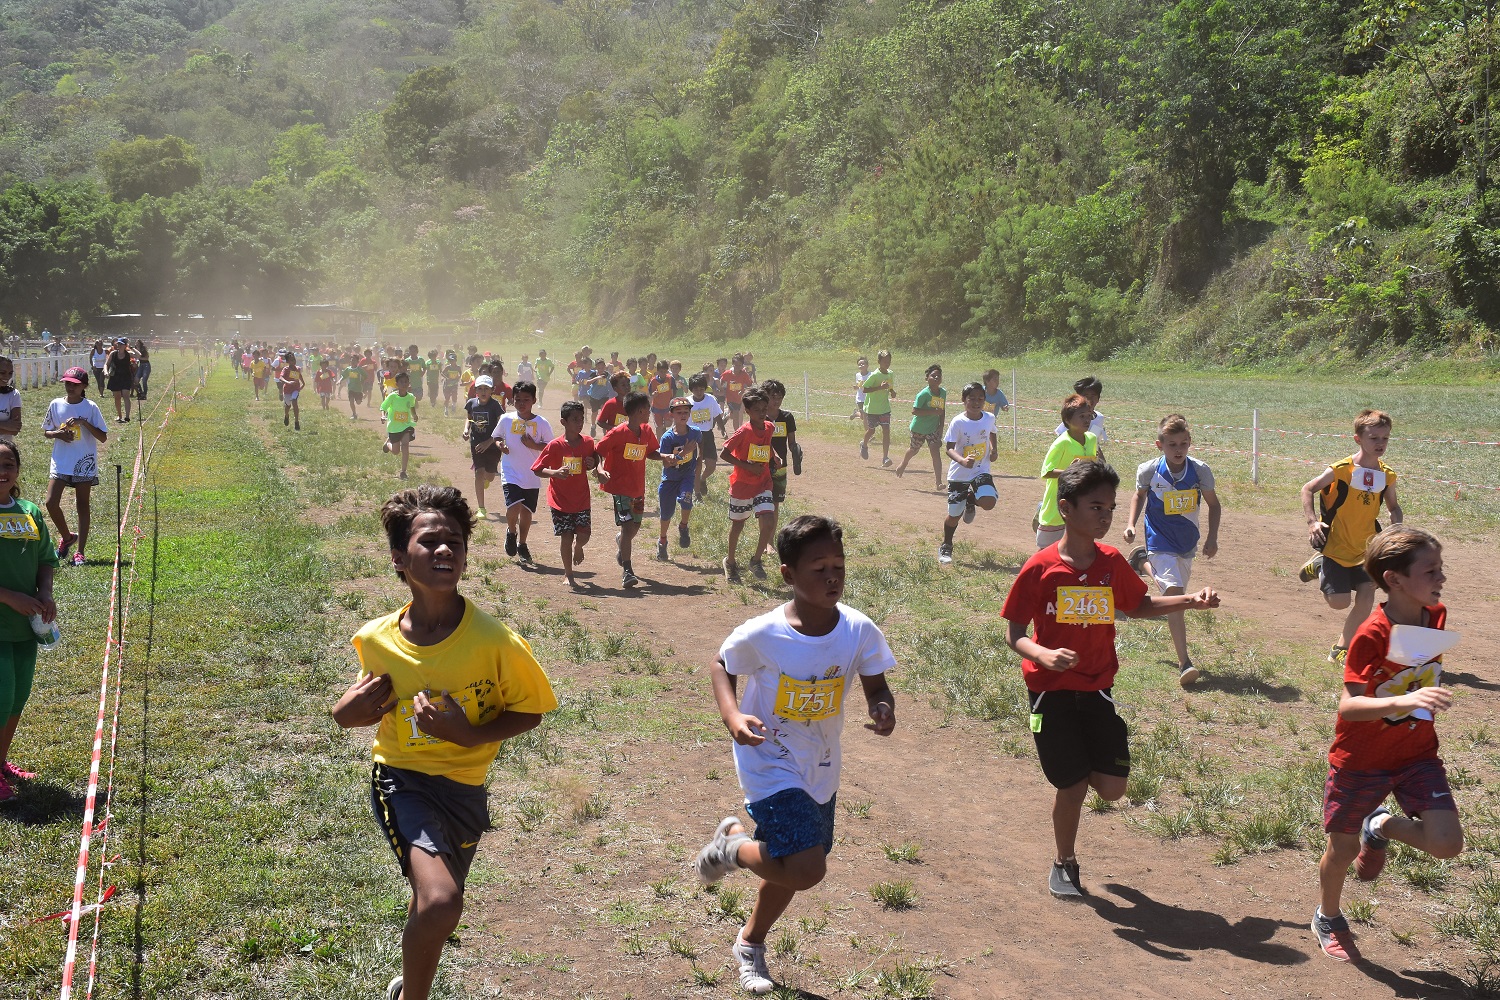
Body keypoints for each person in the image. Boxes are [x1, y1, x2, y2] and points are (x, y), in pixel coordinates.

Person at [330, 485, 556, 1000]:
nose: (445, 550)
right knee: (440, 902)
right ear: (397, 558)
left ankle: (405, 987)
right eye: (429, 541)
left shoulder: (495, 642)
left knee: (431, 904)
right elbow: (358, 708)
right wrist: (345, 715)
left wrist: (467, 734)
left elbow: (530, 710)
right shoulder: (376, 640)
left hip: (465, 793)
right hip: (402, 780)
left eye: (454, 540)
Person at [694, 514, 896, 995]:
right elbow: (722, 664)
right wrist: (733, 718)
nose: (831, 577)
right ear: (787, 574)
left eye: (838, 566)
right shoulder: (765, 633)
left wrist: (882, 707)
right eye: (818, 568)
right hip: (768, 759)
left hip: (820, 764)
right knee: (807, 867)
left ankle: (749, 942)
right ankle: (733, 848)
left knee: (791, 864)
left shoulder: (858, 630)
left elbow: (875, 682)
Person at [1001, 461, 1220, 899]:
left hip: (1098, 686)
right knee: (1072, 784)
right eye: (1096, 506)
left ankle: (1082, 793)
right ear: (1065, 508)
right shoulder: (1041, 568)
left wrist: (1189, 601)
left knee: (1113, 789)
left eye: (1111, 507)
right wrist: (1043, 654)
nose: (1105, 516)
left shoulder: (1110, 562)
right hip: (1051, 691)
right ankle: (1064, 861)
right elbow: (1014, 634)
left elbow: (1137, 606)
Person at [1311, 525, 1461, 962]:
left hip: (1417, 754)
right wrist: (1409, 697)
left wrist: (1414, 697)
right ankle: (1328, 915)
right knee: (1340, 851)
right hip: (1361, 760)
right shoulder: (1370, 634)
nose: (1441, 579)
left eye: (1440, 568)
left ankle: (1380, 826)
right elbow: (1349, 706)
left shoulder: (1436, 615)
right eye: (1431, 570)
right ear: (1394, 579)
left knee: (1448, 844)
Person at [1122, 415, 1222, 686]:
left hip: (1186, 543)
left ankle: (1141, 561)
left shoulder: (1200, 471)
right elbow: (1139, 495)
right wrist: (1131, 524)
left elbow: (1214, 505)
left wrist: (1212, 538)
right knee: (1175, 597)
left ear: (1190, 443)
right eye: (1172, 445)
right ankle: (1184, 662)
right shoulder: (1149, 470)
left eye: (1184, 444)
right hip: (1159, 539)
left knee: (1174, 596)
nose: (1178, 450)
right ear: (1160, 445)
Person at [1298, 410, 1403, 665]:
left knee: (1367, 594)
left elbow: (1393, 507)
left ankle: (1341, 648)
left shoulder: (1387, 475)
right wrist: (1313, 523)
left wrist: (1396, 528)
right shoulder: (1342, 469)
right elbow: (1308, 489)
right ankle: (1321, 565)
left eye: (1385, 438)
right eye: (1374, 437)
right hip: (1336, 546)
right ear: (1358, 439)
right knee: (1339, 603)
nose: (1380, 444)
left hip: (1368, 547)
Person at [0, 439, 59, 802]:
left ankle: (1, 762)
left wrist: (45, 594)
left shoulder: (30, 512)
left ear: (18, 470)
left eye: (8, 464)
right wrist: (10, 597)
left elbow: (45, 560)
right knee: (1, 697)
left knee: (18, 697)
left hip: (24, 627)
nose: (1, 472)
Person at [594, 392, 661, 589]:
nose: (649, 412)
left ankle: (622, 543)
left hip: (638, 488)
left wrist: (666, 457)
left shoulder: (647, 431)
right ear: (640, 411)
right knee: (627, 525)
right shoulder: (617, 433)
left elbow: (651, 453)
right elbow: (598, 451)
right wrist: (600, 470)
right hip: (620, 488)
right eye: (648, 409)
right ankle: (627, 570)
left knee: (635, 527)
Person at [42, 368, 108, 567]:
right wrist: (58, 434)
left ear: (84, 386)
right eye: (67, 383)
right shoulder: (56, 404)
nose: (70, 387)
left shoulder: (90, 407)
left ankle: (80, 552)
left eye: (75, 384)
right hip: (61, 461)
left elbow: (103, 437)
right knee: (50, 502)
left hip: (83, 462)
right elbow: (46, 431)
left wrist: (83, 422)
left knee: (82, 505)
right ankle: (67, 537)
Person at [532, 401, 598, 588]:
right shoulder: (555, 446)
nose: (579, 423)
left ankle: (579, 547)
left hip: (581, 499)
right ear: (563, 422)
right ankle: (568, 574)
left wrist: (591, 464)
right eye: (575, 419)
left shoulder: (588, 442)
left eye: (581, 419)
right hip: (560, 500)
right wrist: (555, 473)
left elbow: (593, 461)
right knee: (566, 536)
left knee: (584, 535)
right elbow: (537, 469)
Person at [720, 387, 778, 583]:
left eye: (764, 408)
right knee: (738, 525)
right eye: (757, 410)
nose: (762, 412)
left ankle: (756, 560)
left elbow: (766, 446)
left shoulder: (769, 427)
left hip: (763, 482)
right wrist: (746, 466)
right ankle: (730, 561)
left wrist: (774, 456)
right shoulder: (744, 431)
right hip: (743, 484)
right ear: (748, 412)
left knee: (769, 522)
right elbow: (724, 453)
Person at [937, 382, 998, 566]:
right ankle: (946, 545)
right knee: (954, 515)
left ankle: (971, 500)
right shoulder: (958, 422)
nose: (976, 402)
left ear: (985, 401)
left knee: (989, 501)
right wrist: (962, 461)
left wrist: (994, 449)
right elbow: (949, 448)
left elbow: (992, 433)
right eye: (971, 398)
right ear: (964, 401)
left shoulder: (988, 418)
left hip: (981, 469)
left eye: (980, 398)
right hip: (959, 474)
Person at [492, 381, 551, 562]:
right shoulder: (506, 419)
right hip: (510, 471)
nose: (522, 403)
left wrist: (534, 445)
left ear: (534, 400)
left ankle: (522, 544)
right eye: (518, 399)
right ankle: (511, 532)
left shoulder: (541, 423)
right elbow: (497, 436)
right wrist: (500, 445)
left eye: (526, 399)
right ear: (512, 400)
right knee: (514, 506)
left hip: (532, 474)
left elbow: (550, 446)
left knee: (526, 512)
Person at [1035, 394, 1099, 549]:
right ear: (1068, 420)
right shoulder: (1062, 443)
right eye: (1082, 416)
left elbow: (1093, 463)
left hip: (1081, 502)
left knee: (1075, 548)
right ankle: (1041, 509)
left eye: (1089, 416)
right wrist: (1070, 471)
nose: (1087, 420)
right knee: (1046, 549)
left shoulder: (1091, 439)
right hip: (1057, 502)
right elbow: (1046, 472)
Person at [655, 397, 700, 558]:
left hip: (687, 476)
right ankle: (662, 540)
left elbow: (697, 455)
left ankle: (683, 526)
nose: (683, 415)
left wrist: (698, 475)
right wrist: (683, 453)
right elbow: (666, 464)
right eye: (679, 412)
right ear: (671, 415)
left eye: (686, 412)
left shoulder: (695, 432)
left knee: (686, 500)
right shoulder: (667, 438)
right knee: (666, 515)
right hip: (670, 479)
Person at [894, 364, 946, 487]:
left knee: (935, 452)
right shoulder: (923, 394)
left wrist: (941, 426)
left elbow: (942, 410)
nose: (936, 377)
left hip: (933, 428)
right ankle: (903, 463)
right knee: (914, 450)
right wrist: (933, 412)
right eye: (933, 376)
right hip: (919, 428)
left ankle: (938, 482)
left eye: (939, 375)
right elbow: (915, 411)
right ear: (927, 378)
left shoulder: (943, 392)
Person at [463, 376, 505, 519]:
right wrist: (466, 429)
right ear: (475, 390)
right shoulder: (471, 403)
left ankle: (487, 478)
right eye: (480, 388)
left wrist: (489, 442)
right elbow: (469, 418)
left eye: (486, 388)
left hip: (493, 446)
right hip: (477, 443)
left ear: (492, 390)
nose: (483, 391)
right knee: (479, 473)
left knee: (491, 476)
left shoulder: (495, 405)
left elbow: (501, 426)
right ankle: (482, 508)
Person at [761, 380, 799, 525]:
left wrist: (796, 453)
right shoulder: (760, 417)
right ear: (765, 396)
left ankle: (770, 539)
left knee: (775, 503)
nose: (776, 401)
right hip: (762, 464)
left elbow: (791, 442)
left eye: (779, 398)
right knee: (765, 503)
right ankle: (766, 542)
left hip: (779, 466)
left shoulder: (787, 417)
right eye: (773, 397)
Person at [687, 374, 726, 500]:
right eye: (696, 389)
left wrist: (723, 430)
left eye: (701, 389)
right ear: (691, 389)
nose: (699, 392)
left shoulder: (710, 399)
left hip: (707, 435)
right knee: (697, 465)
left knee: (711, 465)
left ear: (705, 388)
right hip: (693, 436)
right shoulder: (688, 402)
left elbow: (717, 416)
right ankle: (697, 494)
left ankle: (702, 479)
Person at [1054, 376, 1107, 463]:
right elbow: (1061, 442)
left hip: (1088, 464)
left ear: (1098, 398)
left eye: (1093, 395)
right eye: (1086, 396)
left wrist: (1103, 463)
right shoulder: (1073, 417)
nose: (1089, 399)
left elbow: (1095, 443)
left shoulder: (1099, 418)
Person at [857, 350, 895, 466]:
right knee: (871, 430)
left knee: (886, 431)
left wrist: (892, 391)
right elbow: (864, 389)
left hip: (884, 408)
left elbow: (889, 386)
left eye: (888, 361)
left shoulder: (890, 373)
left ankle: (885, 458)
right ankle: (864, 444)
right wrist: (879, 387)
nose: (887, 363)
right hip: (872, 409)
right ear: (879, 362)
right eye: (884, 361)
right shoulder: (874, 375)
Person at [381, 372, 419, 480]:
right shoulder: (392, 396)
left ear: (409, 383)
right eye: (401, 382)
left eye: (406, 381)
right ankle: (388, 443)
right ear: (397, 384)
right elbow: (383, 406)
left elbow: (412, 407)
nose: (404, 384)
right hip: (394, 427)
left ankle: (403, 471)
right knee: (396, 451)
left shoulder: (411, 397)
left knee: (405, 445)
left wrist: (414, 415)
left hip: (406, 425)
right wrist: (383, 416)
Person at [105, 338, 135, 422]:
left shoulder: (128, 354)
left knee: (126, 395)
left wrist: (132, 348)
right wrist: (106, 372)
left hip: (126, 377)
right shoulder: (113, 353)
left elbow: (139, 355)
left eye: (121, 344)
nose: (119, 346)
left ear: (125, 345)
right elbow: (106, 364)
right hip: (115, 377)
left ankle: (127, 416)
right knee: (117, 397)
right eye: (118, 344)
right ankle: (119, 415)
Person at [722, 354, 752, 431]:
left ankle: (727, 415)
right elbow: (721, 382)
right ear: (732, 364)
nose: (737, 367)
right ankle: (737, 432)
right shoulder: (727, 373)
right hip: (730, 398)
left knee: (734, 415)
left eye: (739, 365)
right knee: (736, 414)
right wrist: (721, 389)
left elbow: (749, 385)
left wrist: (743, 390)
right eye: (736, 365)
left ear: (742, 365)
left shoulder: (744, 374)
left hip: (739, 398)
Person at [648, 360, 675, 433]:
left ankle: (663, 429)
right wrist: (653, 395)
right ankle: (659, 443)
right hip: (657, 408)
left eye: (664, 371)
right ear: (657, 371)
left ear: (667, 371)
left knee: (668, 424)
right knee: (659, 428)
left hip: (667, 407)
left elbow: (673, 392)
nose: (663, 374)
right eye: (661, 372)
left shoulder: (670, 379)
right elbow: (650, 395)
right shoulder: (653, 381)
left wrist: (672, 403)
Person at [278, 355, 304, 430]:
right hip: (287, 390)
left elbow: (299, 376)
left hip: (295, 389)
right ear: (288, 362)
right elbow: (281, 377)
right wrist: (288, 382)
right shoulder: (285, 369)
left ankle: (296, 422)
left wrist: (303, 384)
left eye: (294, 360)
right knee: (288, 406)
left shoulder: (298, 368)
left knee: (294, 402)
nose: (293, 362)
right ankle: (286, 415)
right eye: (291, 360)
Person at [0, 356, 20, 443]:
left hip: (4, 449)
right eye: (2, 372)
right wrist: (5, 425)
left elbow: (15, 429)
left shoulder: (13, 394)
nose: (7, 377)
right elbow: (10, 428)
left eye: (10, 373)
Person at [440, 353, 462, 417]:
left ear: (456, 360)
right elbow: (442, 373)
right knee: (447, 398)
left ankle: (453, 406)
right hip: (447, 385)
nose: (452, 362)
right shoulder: (448, 367)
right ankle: (446, 410)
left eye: (453, 360)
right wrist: (447, 378)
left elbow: (460, 373)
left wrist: (458, 377)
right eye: (451, 360)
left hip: (454, 384)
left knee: (454, 396)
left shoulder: (458, 367)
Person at [848, 357, 868, 421]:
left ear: (867, 365)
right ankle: (856, 413)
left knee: (867, 415)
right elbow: (858, 385)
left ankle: (856, 413)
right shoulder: (858, 375)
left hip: (869, 397)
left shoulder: (871, 374)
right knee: (863, 417)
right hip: (860, 398)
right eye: (859, 364)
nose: (861, 365)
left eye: (863, 364)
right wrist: (856, 387)